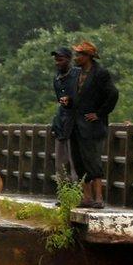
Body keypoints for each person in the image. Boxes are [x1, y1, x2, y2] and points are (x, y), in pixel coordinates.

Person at [69, 41, 119, 209]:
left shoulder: (100, 73)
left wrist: (99, 113)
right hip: (76, 125)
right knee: (79, 161)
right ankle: (86, 197)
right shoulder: (76, 74)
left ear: (88, 56)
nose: (77, 58)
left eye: (80, 55)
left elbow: (113, 94)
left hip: (92, 126)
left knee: (93, 161)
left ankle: (98, 198)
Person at [51, 47, 79, 182]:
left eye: (60, 60)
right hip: (62, 122)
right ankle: (63, 193)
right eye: (56, 60)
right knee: (60, 163)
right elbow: (59, 98)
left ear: (69, 60)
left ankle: (77, 194)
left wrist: (71, 100)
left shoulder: (78, 75)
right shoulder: (56, 78)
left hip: (76, 122)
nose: (57, 63)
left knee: (75, 162)